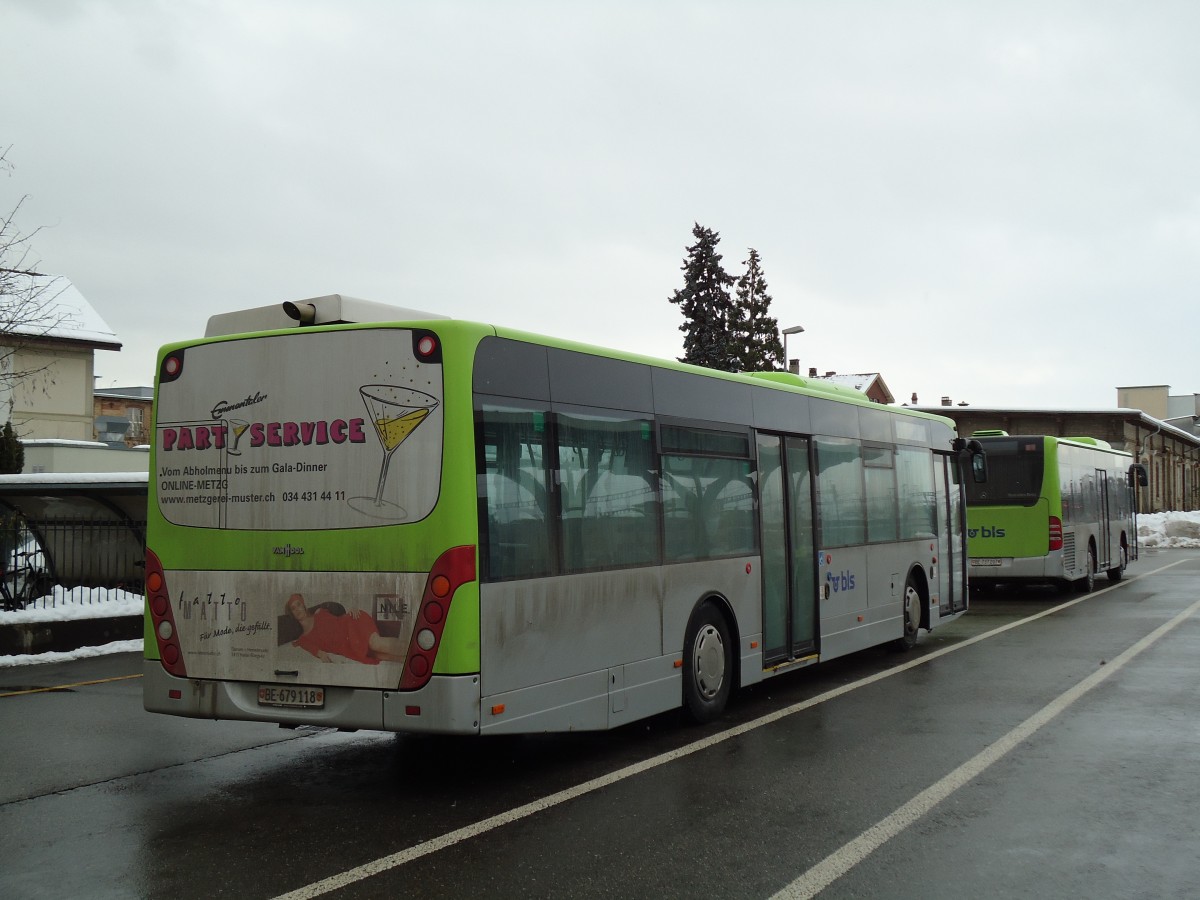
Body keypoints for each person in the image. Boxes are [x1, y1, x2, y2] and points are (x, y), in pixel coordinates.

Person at [285, 593, 406, 664]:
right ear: (292, 613)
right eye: (293, 608)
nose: (297, 609)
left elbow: (342, 615)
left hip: (354, 624)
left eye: (298, 604)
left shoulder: (319, 611)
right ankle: (418, 660)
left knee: (376, 644)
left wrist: (352, 608)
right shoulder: (303, 639)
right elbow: (319, 653)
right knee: (381, 655)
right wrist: (321, 655)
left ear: (304, 605)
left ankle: (417, 651)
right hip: (349, 648)